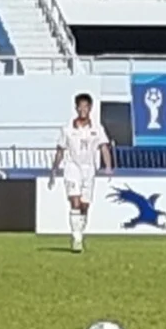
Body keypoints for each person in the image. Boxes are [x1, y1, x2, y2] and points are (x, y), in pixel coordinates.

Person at [48, 93, 114, 253]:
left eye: (86, 106)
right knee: (75, 202)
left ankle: (80, 231)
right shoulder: (67, 129)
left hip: (89, 169)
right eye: (80, 106)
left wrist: (108, 166)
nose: (83, 109)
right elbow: (60, 150)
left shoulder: (97, 129)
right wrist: (54, 170)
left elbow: (104, 147)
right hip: (72, 168)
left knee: (84, 205)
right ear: (76, 108)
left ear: (90, 108)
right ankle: (76, 238)